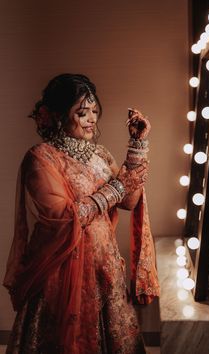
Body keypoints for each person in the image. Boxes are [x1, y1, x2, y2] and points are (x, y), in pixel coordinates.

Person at [3, 73, 159, 354]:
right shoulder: (41, 157)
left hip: (105, 266)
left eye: (95, 112)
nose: (91, 119)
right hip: (61, 273)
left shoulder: (100, 154)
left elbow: (129, 201)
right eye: (82, 112)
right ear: (59, 115)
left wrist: (138, 144)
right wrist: (116, 187)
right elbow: (62, 217)